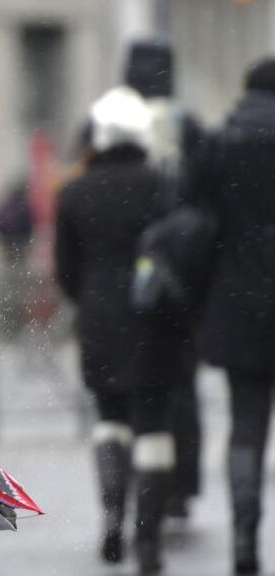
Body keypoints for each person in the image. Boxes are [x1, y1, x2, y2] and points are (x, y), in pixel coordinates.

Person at [55, 87, 189, 575]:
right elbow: (182, 250)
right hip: (155, 320)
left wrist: (89, 298)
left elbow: (65, 270)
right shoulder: (163, 184)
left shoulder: (75, 191)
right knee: (153, 426)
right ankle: (148, 540)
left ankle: (112, 514)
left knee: (109, 418)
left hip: (98, 321)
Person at [196, 58, 275, 576]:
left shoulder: (217, 146)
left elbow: (196, 226)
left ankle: (245, 537)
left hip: (238, 303)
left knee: (245, 427)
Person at [124, 39, 206, 519]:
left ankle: (145, 477)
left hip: (129, 275)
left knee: (137, 384)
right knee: (181, 381)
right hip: (181, 276)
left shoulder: (112, 122)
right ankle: (181, 481)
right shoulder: (187, 125)